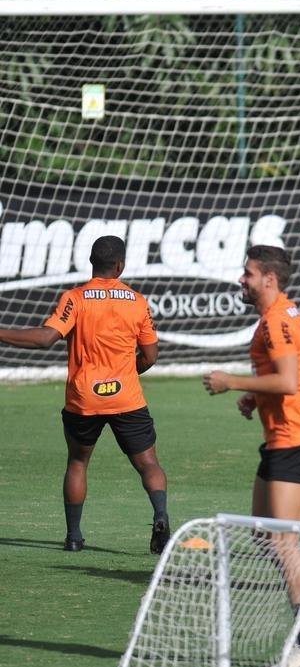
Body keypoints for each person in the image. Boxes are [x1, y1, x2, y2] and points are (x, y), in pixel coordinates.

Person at [202, 245, 300, 667]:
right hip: (286, 436)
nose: (241, 280)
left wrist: (230, 382)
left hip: (294, 439)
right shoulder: (280, 314)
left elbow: (290, 379)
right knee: (266, 535)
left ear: (269, 279)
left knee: (284, 542)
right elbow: (294, 375)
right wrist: (255, 394)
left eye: (248, 273)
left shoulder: (278, 319)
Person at [1, 235, 169, 554]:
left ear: (91, 263)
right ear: (120, 266)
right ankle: (161, 517)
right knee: (149, 463)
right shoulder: (137, 300)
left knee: (78, 462)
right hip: (127, 398)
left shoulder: (76, 298)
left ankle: (74, 537)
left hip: (84, 399)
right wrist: (126, 373)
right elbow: (150, 355)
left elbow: (45, 338)